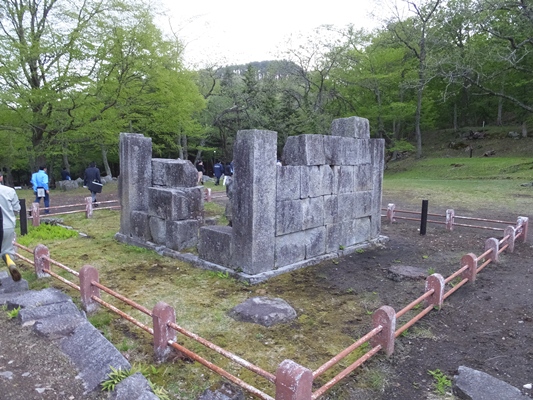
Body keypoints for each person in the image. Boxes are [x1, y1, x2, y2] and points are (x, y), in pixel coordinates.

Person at [0, 172, 21, 281]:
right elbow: (17, 209)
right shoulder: (10, 191)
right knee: (7, 250)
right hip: (7, 226)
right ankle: (11, 264)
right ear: (1, 177)